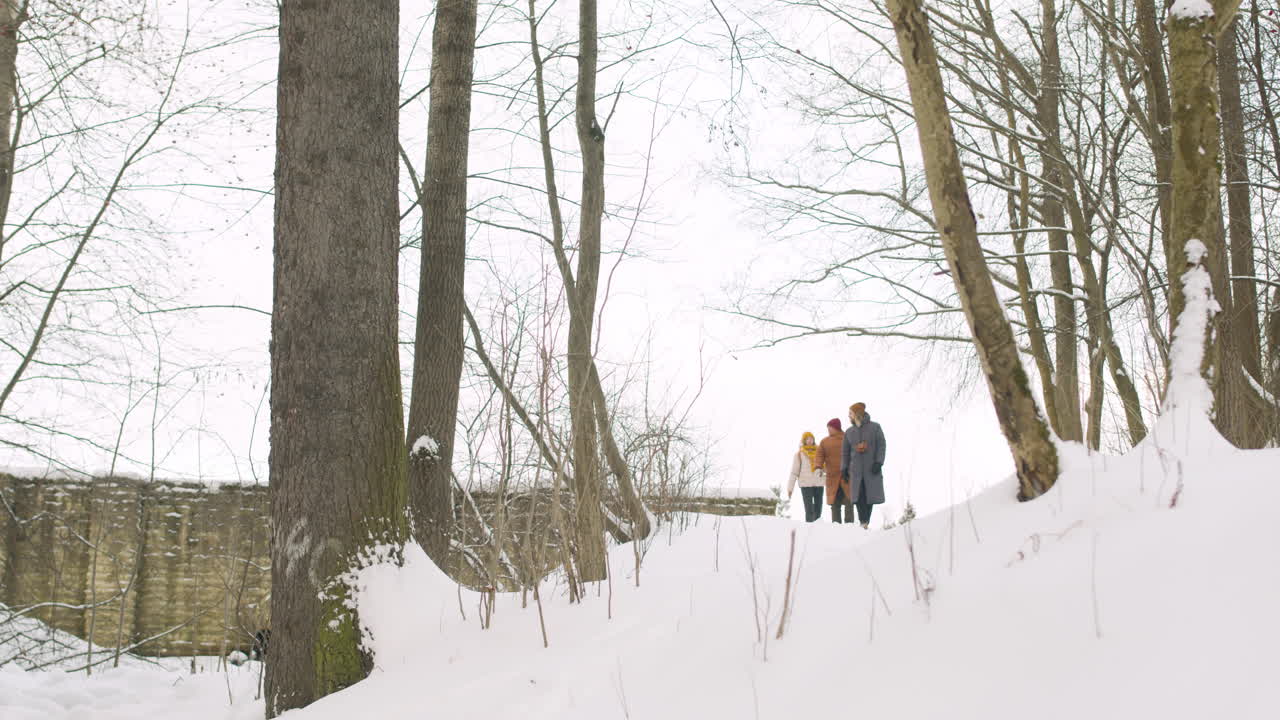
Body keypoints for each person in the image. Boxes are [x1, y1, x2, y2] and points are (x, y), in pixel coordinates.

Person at [841, 402, 886, 529]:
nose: (848, 416)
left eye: (850, 413)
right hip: (855, 471)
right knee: (858, 496)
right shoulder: (849, 432)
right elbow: (845, 452)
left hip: (871, 469)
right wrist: (844, 468)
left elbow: (882, 445)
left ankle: (865, 522)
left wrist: (879, 462)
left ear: (857, 414)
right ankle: (863, 522)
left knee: (869, 497)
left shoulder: (875, 427)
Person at [815, 418, 854, 523]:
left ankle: (849, 526)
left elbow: (854, 454)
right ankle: (836, 526)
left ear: (836, 428)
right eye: (828, 428)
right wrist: (818, 467)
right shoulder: (824, 442)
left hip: (847, 476)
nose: (828, 430)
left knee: (849, 501)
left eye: (830, 428)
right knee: (835, 503)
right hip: (832, 477)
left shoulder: (848, 438)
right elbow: (819, 455)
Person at [787, 432, 825, 522]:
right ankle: (809, 529)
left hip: (818, 483)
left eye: (811, 438)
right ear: (804, 440)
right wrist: (790, 488)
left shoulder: (820, 452)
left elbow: (825, 468)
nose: (810, 440)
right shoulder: (799, 454)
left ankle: (818, 529)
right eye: (807, 438)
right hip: (805, 484)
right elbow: (794, 472)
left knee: (818, 509)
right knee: (809, 510)